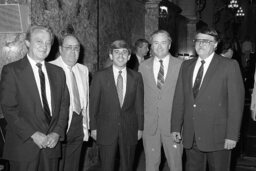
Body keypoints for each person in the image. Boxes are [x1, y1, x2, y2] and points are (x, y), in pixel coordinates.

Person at [171, 27, 245, 171]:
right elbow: (179, 98)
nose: (201, 44)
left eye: (206, 41)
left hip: (218, 136)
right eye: (198, 40)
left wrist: (232, 135)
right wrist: (175, 126)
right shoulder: (186, 65)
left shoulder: (229, 65)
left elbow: (236, 104)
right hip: (191, 134)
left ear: (216, 44)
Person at [0, 25, 70, 171]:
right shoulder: (11, 71)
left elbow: (64, 106)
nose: (44, 46)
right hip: (24, 147)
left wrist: (57, 132)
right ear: (27, 43)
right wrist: (33, 134)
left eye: (48, 43)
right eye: (39, 41)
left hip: (51, 147)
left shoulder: (58, 73)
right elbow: (9, 109)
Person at [89, 40, 144, 171]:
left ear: (129, 56)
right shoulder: (100, 76)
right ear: (111, 56)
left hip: (130, 129)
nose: (121, 55)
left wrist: (140, 128)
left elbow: (139, 105)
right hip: (106, 129)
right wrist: (93, 127)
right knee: (107, 166)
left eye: (124, 52)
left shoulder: (136, 77)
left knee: (128, 166)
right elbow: (93, 104)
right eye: (117, 52)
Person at [139, 30, 183, 171]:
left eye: (163, 42)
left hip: (173, 126)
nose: (159, 46)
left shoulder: (181, 66)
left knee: (175, 165)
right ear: (151, 46)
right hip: (150, 126)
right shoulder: (143, 66)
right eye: (155, 43)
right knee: (151, 165)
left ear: (169, 45)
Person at [50, 33, 89, 171]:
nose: (73, 52)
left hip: (78, 123)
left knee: (73, 165)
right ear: (60, 49)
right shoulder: (50, 69)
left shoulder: (83, 70)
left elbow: (85, 100)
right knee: (57, 166)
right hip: (57, 127)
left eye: (77, 48)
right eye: (69, 47)